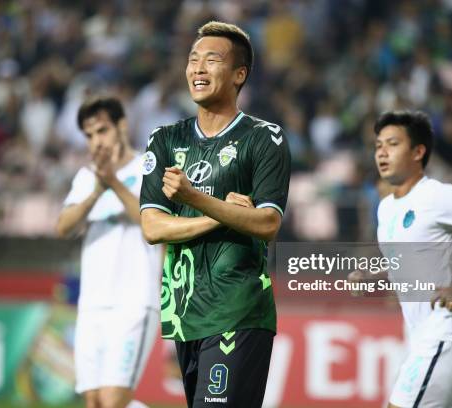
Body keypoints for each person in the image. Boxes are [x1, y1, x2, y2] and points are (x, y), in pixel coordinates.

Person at [139, 21, 291, 407]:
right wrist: (218, 214)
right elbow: (153, 226)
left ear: (239, 74)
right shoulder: (165, 139)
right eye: (193, 60)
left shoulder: (263, 138)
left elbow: (268, 223)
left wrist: (193, 197)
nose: (198, 69)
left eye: (212, 60)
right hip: (184, 313)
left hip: (238, 310)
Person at [352, 110, 452, 407]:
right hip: (448, 335)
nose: (382, 152)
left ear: (418, 152)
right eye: (378, 145)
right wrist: (369, 277)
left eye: (392, 143)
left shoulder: (439, 196)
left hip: (447, 331)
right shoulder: (386, 208)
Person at [57, 96, 161, 408]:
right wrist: (96, 192)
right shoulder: (87, 177)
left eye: (102, 131)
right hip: (93, 303)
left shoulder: (149, 167)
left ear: (122, 126)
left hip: (135, 301)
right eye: (89, 136)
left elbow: (151, 224)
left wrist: (113, 183)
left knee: (114, 400)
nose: (95, 141)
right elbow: (63, 226)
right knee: (94, 402)